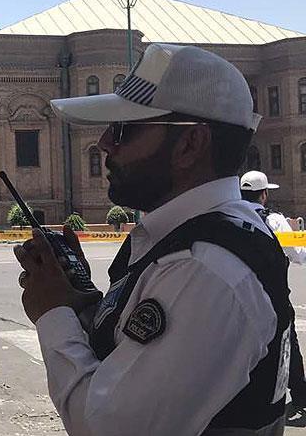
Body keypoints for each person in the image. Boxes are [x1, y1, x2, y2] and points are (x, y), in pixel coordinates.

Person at [14, 43, 291, 435]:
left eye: (124, 129)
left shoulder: (205, 271)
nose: (105, 142)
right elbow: (128, 354)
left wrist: (53, 312)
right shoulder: (202, 233)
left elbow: (107, 428)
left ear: (190, 144)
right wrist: (81, 302)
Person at [240, 170, 306, 416]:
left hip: (239, 295)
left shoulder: (229, 215)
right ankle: (300, 395)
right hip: (273, 297)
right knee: (287, 345)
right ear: (264, 194)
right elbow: (298, 256)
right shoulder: (275, 220)